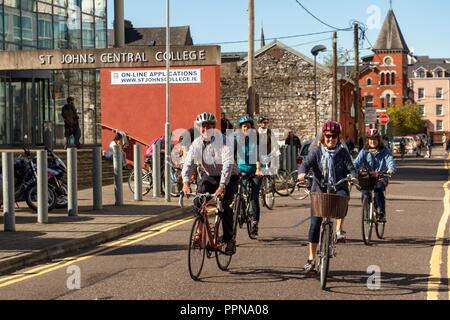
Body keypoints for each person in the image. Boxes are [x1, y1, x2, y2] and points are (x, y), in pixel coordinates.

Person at [298, 121, 357, 273]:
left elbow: (351, 168)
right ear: (323, 136)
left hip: (338, 187)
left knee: (343, 200)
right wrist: (302, 173)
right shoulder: (317, 151)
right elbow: (305, 164)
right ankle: (311, 259)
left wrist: (352, 176)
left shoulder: (343, 152)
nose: (331, 139)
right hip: (319, 189)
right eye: (328, 136)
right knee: (315, 223)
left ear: (339, 138)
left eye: (334, 136)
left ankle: (338, 230)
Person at [182, 112, 240, 255]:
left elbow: (227, 164)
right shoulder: (196, 144)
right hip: (210, 176)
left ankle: (229, 239)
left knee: (224, 205)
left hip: (229, 177)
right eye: (203, 126)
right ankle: (199, 233)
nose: (205, 128)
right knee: (198, 201)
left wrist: (222, 186)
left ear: (214, 127)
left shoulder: (224, 141)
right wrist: (185, 182)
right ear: (199, 128)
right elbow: (189, 164)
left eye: (209, 126)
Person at [353, 129, 396, 223]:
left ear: (378, 140)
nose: (372, 141)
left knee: (378, 190)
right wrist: (352, 171)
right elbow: (356, 163)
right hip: (368, 177)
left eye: (374, 139)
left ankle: (381, 213)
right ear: (367, 140)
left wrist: (390, 169)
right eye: (370, 139)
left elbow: (390, 161)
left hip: (381, 176)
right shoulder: (364, 151)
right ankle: (367, 212)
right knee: (364, 192)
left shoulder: (385, 151)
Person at [233, 115, 263, 237]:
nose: (246, 129)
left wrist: (258, 169)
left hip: (255, 170)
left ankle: (255, 223)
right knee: (238, 193)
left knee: (254, 198)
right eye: (244, 126)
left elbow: (258, 155)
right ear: (241, 128)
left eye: (249, 126)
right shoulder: (236, 139)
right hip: (241, 170)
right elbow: (232, 156)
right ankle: (239, 209)